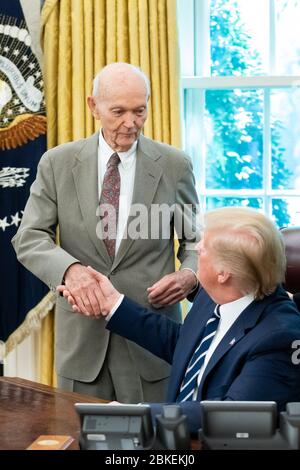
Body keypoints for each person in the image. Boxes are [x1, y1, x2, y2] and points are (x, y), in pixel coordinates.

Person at [12, 62, 200, 402]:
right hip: (82, 344)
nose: (131, 123)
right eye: (118, 112)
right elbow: (29, 236)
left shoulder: (175, 165)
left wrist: (189, 274)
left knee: (157, 447)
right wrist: (70, 271)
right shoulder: (56, 163)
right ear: (93, 106)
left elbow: (195, 242)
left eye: (139, 111)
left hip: (151, 343)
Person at [59, 206, 300, 433]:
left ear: (223, 273)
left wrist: (137, 416)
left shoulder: (280, 336)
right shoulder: (214, 294)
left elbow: (235, 413)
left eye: (202, 248)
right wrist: (112, 304)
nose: (195, 251)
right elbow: (186, 345)